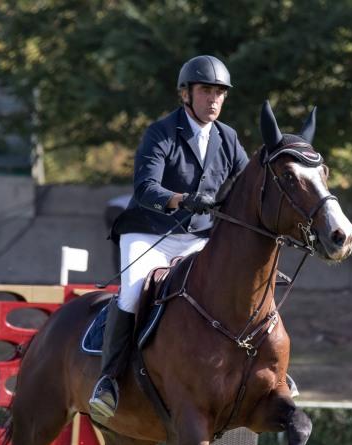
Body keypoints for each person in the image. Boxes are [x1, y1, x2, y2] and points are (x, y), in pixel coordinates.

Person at [88, 55, 249, 424]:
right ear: (186, 94)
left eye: (219, 93)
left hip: (196, 237)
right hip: (149, 231)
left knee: (236, 288)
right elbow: (146, 188)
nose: (213, 100)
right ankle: (109, 381)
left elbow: (247, 183)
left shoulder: (228, 138)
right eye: (206, 90)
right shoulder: (161, 132)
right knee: (131, 291)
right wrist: (180, 199)